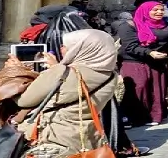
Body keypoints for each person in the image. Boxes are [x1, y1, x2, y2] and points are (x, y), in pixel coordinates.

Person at [11, 29, 119, 158]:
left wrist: (15, 72)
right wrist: (57, 68)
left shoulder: (62, 72)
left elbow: (24, 101)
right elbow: (72, 87)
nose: (61, 48)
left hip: (55, 140)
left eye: (67, 46)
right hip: (88, 140)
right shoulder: (111, 76)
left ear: (81, 49)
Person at [118, 1, 168, 126]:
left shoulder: (166, 25)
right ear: (145, 11)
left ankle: (153, 116)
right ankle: (131, 117)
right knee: (138, 88)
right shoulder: (129, 26)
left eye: (161, 10)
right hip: (135, 61)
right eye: (155, 10)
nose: (159, 12)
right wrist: (149, 53)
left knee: (156, 89)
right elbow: (130, 46)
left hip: (159, 61)